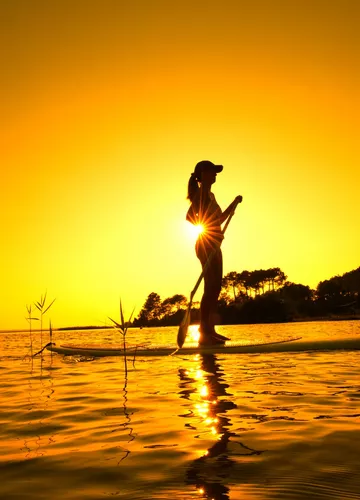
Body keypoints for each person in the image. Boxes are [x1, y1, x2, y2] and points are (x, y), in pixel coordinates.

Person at [186, 160, 242, 346]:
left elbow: (220, 218)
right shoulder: (200, 194)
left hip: (214, 245)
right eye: (212, 172)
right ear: (202, 175)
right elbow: (189, 217)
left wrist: (234, 203)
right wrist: (206, 226)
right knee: (210, 288)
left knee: (216, 287)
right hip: (205, 244)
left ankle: (210, 330)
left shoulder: (210, 195)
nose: (215, 174)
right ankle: (203, 332)